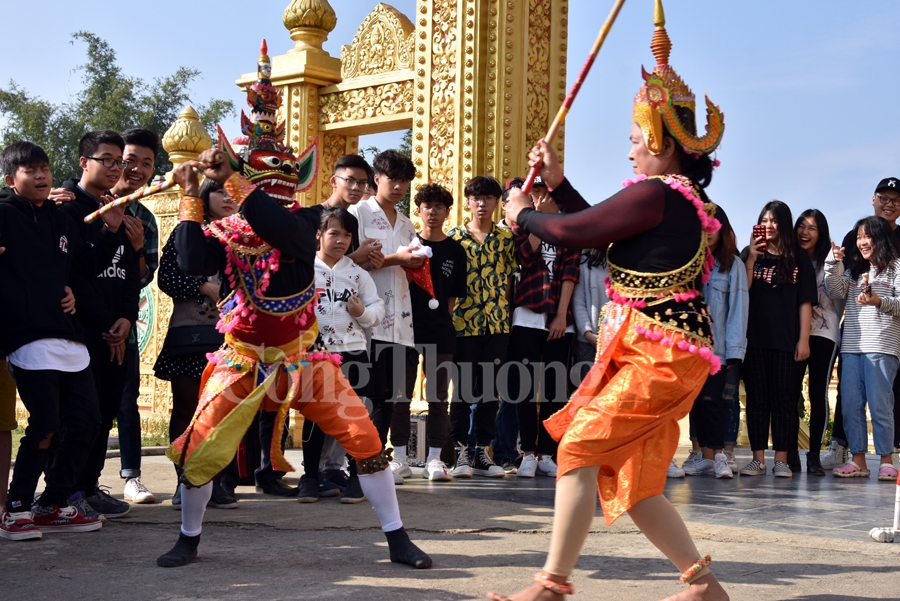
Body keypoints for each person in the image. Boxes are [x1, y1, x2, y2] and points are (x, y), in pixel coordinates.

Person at [156, 43, 430, 570]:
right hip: (240, 357)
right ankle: (189, 537)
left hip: (304, 357)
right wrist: (193, 196)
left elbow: (278, 228)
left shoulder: (309, 222)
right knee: (200, 443)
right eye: (262, 172)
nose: (274, 179)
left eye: (280, 171)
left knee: (364, 437)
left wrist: (230, 180)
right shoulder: (228, 228)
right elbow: (191, 262)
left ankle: (397, 537)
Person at [489, 3, 730, 597]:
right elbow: (596, 221)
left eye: (632, 140)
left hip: (660, 356)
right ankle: (701, 584)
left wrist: (524, 214)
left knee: (578, 445)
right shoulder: (676, 200)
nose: (628, 152)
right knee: (636, 480)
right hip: (655, 351)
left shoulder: (659, 193)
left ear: (657, 138)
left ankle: (551, 584)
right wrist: (556, 184)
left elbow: (577, 232)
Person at [0, 141, 124, 538]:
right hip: (27, 334)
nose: (40, 176)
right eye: (29, 170)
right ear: (10, 179)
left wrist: (112, 230)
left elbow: (85, 267)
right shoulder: (3, 214)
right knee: (46, 423)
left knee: (88, 422)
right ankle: (15, 506)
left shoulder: (61, 219)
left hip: (68, 336)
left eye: (45, 168)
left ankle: (53, 503)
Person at [57, 130, 141, 518]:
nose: (116, 168)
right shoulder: (65, 208)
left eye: (118, 161)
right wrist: (106, 323)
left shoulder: (119, 207)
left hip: (116, 330)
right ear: (83, 162)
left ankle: (89, 488)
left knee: (105, 412)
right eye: (107, 160)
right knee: (79, 417)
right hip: (83, 331)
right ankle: (63, 494)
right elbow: (76, 274)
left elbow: (125, 273)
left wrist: (125, 317)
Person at [154, 179, 237, 509]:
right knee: (187, 406)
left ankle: (213, 482)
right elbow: (167, 278)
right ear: (204, 196)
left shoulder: (243, 235)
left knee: (222, 411)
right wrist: (204, 286)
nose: (228, 198)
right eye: (221, 191)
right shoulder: (187, 231)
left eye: (234, 192)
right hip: (190, 334)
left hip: (232, 337)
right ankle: (185, 480)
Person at [301, 206, 384, 502]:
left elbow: (377, 309)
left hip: (353, 353)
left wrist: (362, 313)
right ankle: (310, 477)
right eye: (334, 233)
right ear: (319, 234)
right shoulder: (305, 270)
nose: (341, 240)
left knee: (356, 413)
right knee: (314, 416)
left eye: (347, 235)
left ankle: (357, 476)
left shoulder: (358, 274)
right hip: (315, 353)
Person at [348, 150, 420, 484]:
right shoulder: (357, 214)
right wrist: (398, 258)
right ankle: (358, 463)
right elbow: (350, 262)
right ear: (377, 178)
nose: (400, 187)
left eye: (405, 181)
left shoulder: (407, 223)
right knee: (368, 396)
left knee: (395, 396)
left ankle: (387, 460)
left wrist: (415, 261)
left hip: (402, 323)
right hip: (366, 320)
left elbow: (406, 262)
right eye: (394, 179)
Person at [822, 177, 900, 469]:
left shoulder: (896, 269)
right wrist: (833, 263)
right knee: (851, 406)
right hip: (852, 347)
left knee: (881, 407)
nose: (863, 242)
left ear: (882, 238)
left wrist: (878, 301)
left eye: (868, 237)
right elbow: (836, 291)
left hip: (882, 346)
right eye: (859, 238)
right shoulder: (856, 271)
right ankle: (857, 461)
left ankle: (886, 460)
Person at [390, 184, 466, 481]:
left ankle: (435, 459)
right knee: (400, 396)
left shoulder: (455, 251)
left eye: (439, 207)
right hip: (404, 330)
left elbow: (451, 298)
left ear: (447, 212)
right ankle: (398, 458)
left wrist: (441, 322)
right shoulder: (406, 245)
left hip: (440, 333)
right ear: (418, 210)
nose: (432, 212)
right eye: (426, 206)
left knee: (437, 398)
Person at [739, 201, 816, 477]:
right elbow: (742, 293)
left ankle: (781, 459)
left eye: (774, 221)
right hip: (754, 339)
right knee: (757, 400)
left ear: (783, 224)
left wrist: (804, 339)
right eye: (764, 220)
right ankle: (758, 459)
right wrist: (750, 259)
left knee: (784, 401)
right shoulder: (749, 254)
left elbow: (805, 302)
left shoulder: (798, 257)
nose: (769, 225)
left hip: (786, 340)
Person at [508, 193, 581, 479]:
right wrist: (536, 223)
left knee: (554, 387)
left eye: (542, 194)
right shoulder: (521, 227)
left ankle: (547, 452)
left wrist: (562, 315)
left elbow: (569, 274)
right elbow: (525, 257)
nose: (537, 199)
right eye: (533, 195)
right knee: (524, 386)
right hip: (527, 315)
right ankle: (527, 452)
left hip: (559, 319)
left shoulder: (568, 230)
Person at [448, 175, 516, 479]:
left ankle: (481, 451)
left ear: (496, 202)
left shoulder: (505, 239)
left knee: (490, 392)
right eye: (476, 198)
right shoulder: (453, 239)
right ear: (468, 202)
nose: (482, 203)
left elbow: (512, 280)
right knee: (462, 391)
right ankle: (461, 449)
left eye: (488, 198)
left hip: (497, 324)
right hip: (462, 324)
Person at [683, 205, 748, 479]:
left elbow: (738, 309)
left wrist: (734, 352)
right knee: (695, 402)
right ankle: (705, 458)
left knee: (714, 401)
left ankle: (720, 455)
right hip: (689, 349)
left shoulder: (733, 264)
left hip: (718, 350)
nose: (708, 232)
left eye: (713, 226)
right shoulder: (688, 262)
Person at [115, 128, 161, 505]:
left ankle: (131, 476)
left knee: (126, 401)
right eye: (130, 159)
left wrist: (135, 248)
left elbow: (146, 275)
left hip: (124, 322)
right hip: (80, 322)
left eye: (147, 163)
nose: (137, 169)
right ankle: (77, 484)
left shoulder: (144, 217)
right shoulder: (79, 204)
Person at [794, 209, 842, 475]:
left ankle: (813, 455)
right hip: (795, 333)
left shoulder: (832, 261)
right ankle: (789, 452)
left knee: (817, 393)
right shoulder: (790, 260)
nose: (805, 232)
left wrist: (835, 264)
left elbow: (838, 294)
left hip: (824, 334)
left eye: (812, 228)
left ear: (821, 233)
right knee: (790, 392)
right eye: (802, 226)